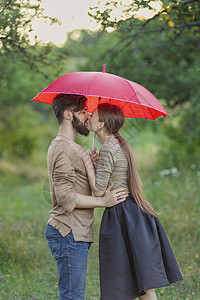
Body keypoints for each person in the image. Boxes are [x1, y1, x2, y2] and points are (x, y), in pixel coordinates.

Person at [85, 103, 183, 300]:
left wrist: (88, 164)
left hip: (120, 216)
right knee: (143, 282)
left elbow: (98, 190)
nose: (88, 115)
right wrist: (98, 165)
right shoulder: (121, 144)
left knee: (121, 279)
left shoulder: (107, 149)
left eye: (93, 114)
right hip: (135, 214)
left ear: (102, 123)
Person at [45, 94, 128, 300]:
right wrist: (103, 201)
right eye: (82, 111)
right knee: (73, 296)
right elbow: (66, 198)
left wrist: (91, 164)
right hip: (68, 231)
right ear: (67, 114)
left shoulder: (72, 146)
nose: (86, 114)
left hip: (76, 231)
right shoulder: (64, 149)